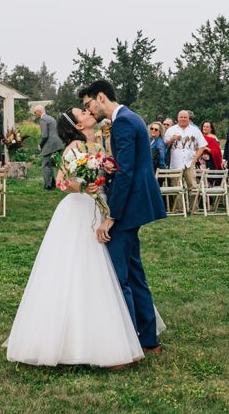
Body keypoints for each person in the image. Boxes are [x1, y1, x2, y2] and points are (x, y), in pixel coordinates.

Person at [5, 102, 166, 368]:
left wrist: (107, 172)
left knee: (108, 270)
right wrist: (81, 186)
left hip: (101, 207)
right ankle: (90, 339)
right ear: (78, 126)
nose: (88, 111)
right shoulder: (73, 148)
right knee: (82, 268)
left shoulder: (100, 146)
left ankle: (126, 333)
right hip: (80, 209)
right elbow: (61, 181)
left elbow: (107, 172)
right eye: (83, 113)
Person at [81, 79, 166, 358]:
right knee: (134, 272)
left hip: (129, 207)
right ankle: (148, 339)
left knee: (120, 279)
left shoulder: (123, 123)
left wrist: (111, 217)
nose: (89, 110)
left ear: (101, 97)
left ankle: (127, 344)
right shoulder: (131, 118)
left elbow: (127, 171)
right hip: (137, 204)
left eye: (89, 104)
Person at [164, 110, 207, 195]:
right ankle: (179, 208)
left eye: (185, 117)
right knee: (176, 188)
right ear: (177, 118)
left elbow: (202, 146)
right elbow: (164, 145)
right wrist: (172, 140)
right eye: (181, 117)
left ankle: (194, 208)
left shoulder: (195, 130)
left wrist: (195, 159)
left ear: (188, 118)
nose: (183, 119)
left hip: (189, 162)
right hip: (175, 163)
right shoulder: (171, 130)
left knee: (193, 187)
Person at [34, 104, 64, 191]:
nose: (35, 114)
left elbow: (44, 135)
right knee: (49, 164)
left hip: (49, 143)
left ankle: (48, 186)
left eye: (35, 112)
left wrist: (40, 144)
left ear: (39, 112)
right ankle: (53, 183)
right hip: (57, 143)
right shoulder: (51, 118)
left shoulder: (43, 119)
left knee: (45, 165)